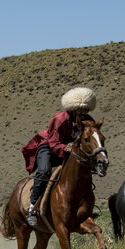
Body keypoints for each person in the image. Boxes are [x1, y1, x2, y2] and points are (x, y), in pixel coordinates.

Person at [21, 87, 97, 227]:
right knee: (44, 171)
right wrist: (65, 148)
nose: (84, 113)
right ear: (73, 108)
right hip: (48, 147)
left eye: (86, 109)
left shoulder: (88, 121)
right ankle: (32, 208)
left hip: (70, 150)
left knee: (83, 170)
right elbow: (53, 142)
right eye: (81, 109)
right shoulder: (60, 119)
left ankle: (87, 207)